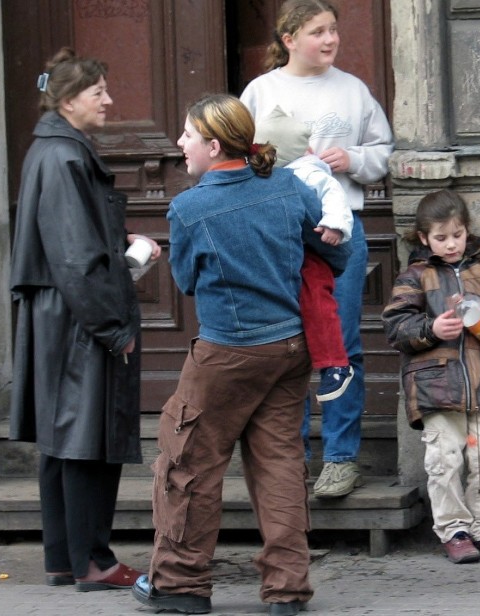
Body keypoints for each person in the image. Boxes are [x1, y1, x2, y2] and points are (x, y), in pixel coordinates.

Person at [131, 93, 347, 616]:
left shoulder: (189, 208)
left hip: (227, 351)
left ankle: (180, 586)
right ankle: (287, 591)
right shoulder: (289, 186)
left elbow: (184, 281)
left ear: (211, 144)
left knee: (188, 463)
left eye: (186, 135)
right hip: (289, 348)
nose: (179, 143)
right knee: (279, 466)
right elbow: (332, 252)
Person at [8, 47, 160, 592]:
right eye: (99, 92)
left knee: (63, 437)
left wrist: (122, 243)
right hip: (78, 318)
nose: (109, 100)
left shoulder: (53, 151)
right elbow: (74, 257)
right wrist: (113, 328)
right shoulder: (64, 156)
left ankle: (63, 558)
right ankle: (92, 562)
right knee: (85, 439)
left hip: (60, 314)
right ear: (70, 100)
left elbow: (72, 241)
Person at [240, 0, 394, 499]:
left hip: (338, 233)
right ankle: (289, 459)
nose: (330, 40)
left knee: (341, 343)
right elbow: (237, 155)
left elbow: (383, 151)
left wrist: (352, 158)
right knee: (286, 347)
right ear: (289, 39)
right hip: (277, 234)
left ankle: (341, 458)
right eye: (317, 32)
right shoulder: (261, 92)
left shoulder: (352, 90)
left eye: (333, 31)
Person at [381, 189, 480, 564]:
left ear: (467, 231)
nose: (451, 244)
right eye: (442, 238)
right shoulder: (415, 275)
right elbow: (396, 326)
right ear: (423, 238)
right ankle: (454, 530)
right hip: (436, 385)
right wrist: (432, 329)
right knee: (444, 458)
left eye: (458, 235)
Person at [254, 105, 354, 402]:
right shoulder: (266, 179)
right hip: (282, 254)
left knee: (318, 304)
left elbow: (334, 195)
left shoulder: (308, 173)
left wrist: (334, 225)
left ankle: (335, 363)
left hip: (312, 254)